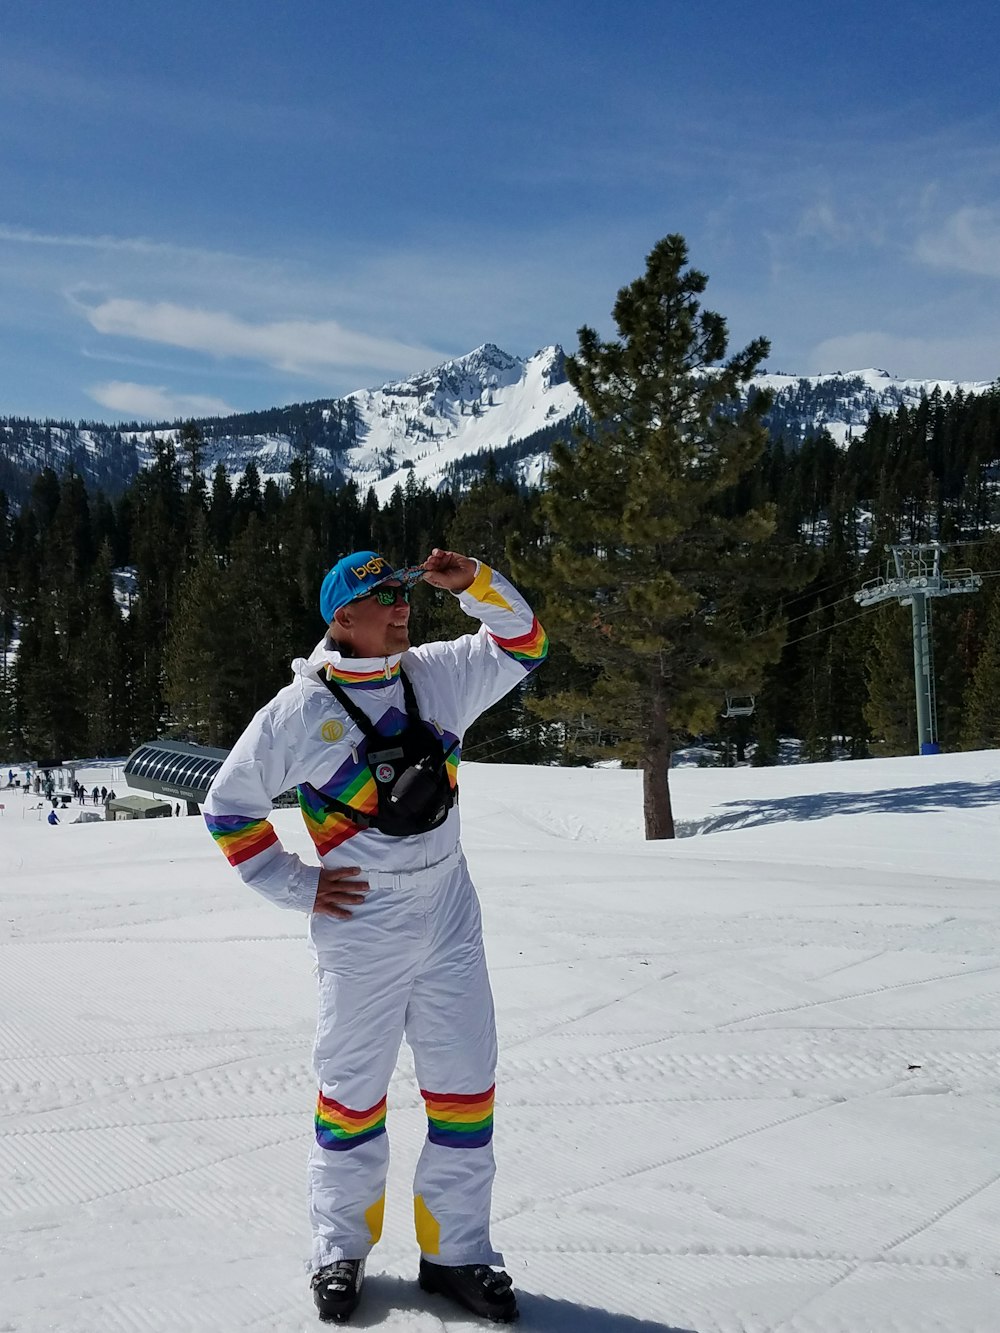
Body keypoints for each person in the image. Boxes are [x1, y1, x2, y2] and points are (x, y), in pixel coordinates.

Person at [204, 548, 546, 1325]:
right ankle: (338, 1250)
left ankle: (458, 1254)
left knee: (465, 1090)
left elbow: (526, 645)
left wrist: (478, 586)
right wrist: (301, 884)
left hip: (450, 908)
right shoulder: (299, 711)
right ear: (341, 617)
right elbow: (229, 807)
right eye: (381, 596)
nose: (400, 606)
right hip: (362, 924)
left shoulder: (437, 674)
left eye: (403, 592)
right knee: (351, 1095)